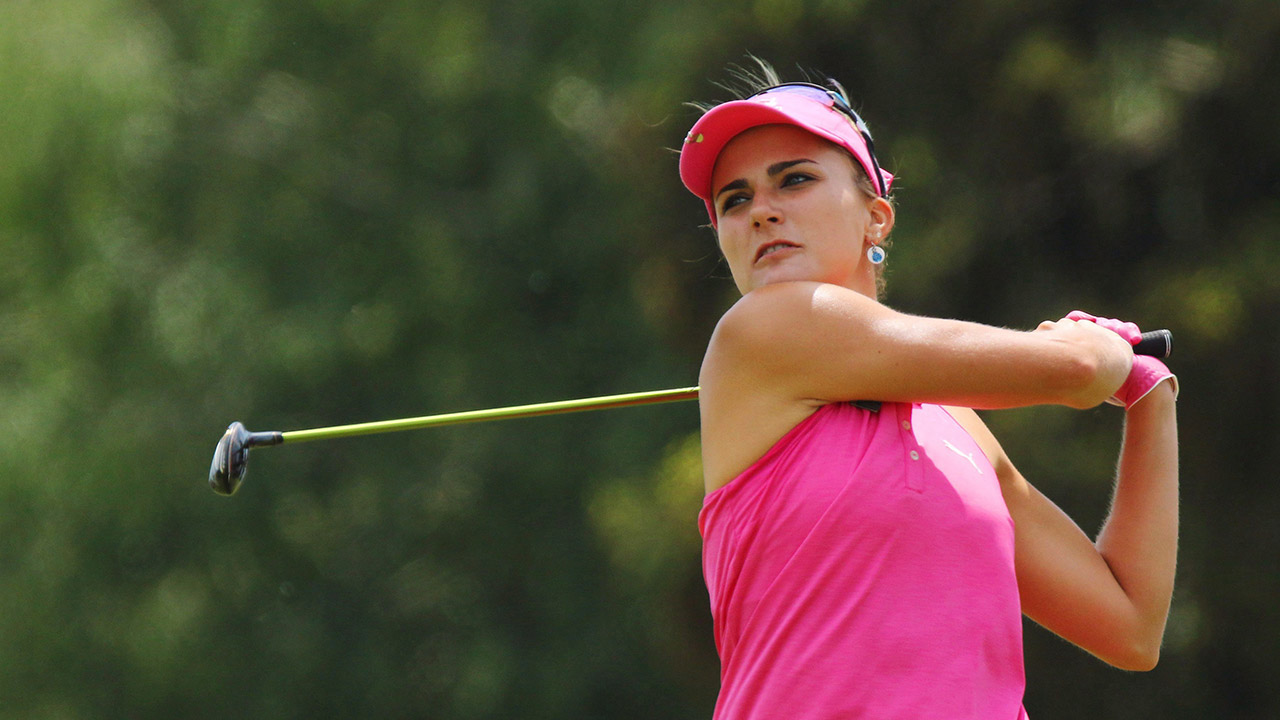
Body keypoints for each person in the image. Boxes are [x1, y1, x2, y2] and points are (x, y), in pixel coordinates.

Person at [678, 62, 1179, 720]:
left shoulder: (958, 427)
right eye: (733, 200)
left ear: (876, 217)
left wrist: (1151, 398)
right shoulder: (759, 332)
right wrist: (1088, 350)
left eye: (794, 179)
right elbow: (1079, 374)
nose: (761, 211)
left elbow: (1130, 626)